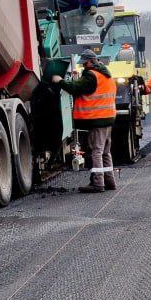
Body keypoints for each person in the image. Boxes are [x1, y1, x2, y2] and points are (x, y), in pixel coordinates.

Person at [50, 50, 118, 193]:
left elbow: (76, 88)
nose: (84, 66)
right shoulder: (106, 75)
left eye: (85, 63)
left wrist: (60, 81)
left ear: (91, 61)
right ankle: (109, 181)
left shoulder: (91, 75)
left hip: (97, 119)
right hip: (107, 118)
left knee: (96, 152)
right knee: (105, 152)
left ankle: (98, 183)